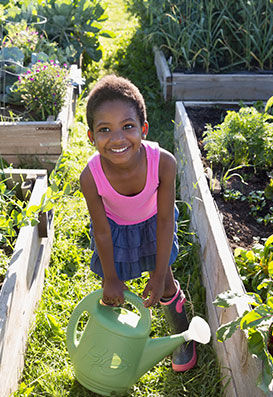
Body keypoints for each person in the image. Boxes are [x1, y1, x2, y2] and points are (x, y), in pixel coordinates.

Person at [79, 74, 196, 372]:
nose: (118, 138)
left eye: (127, 126)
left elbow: (166, 220)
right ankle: (114, 343)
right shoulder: (90, 177)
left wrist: (158, 274)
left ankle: (182, 337)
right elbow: (102, 231)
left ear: (143, 128)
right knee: (113, 292)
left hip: (154, 226)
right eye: (105, 129)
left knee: (165, 285)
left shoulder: (164, 163)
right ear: (91, 137)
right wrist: (110, 277)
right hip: (115, 232)